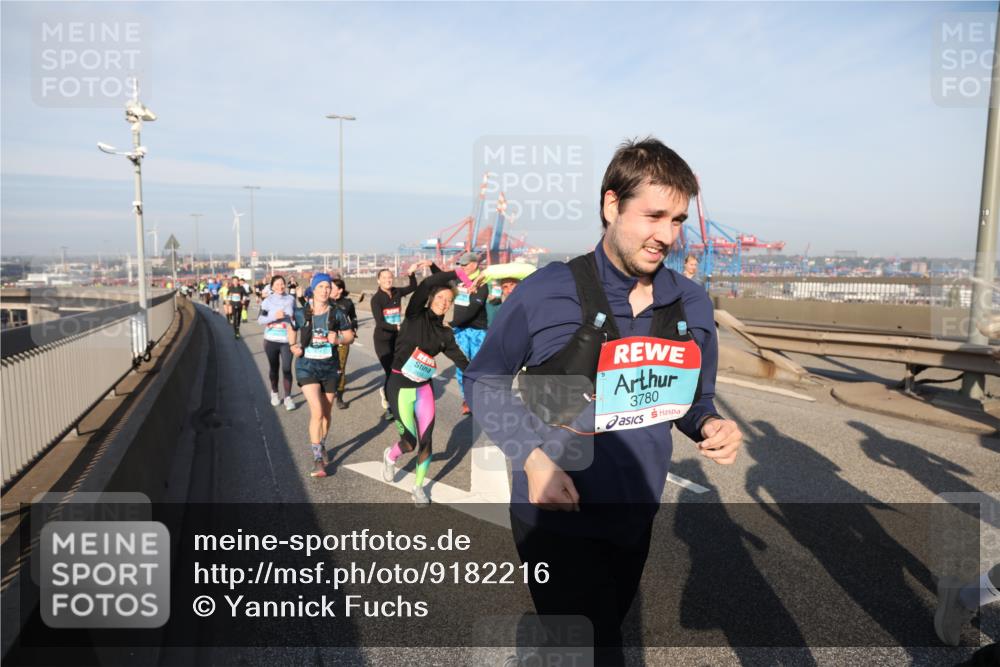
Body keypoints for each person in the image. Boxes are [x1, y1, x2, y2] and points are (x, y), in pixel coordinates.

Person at [464, 137, 743, 663]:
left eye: (678, 220)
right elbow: (483, 379)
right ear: (611, 205)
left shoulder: (691, 302)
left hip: (635, 511)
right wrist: (532, 458)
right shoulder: (547, 291)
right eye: (654, 216)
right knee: (597, 648)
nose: (667, 236)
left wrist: (710, 424)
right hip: (553, 512)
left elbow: (692, 399)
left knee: (598, 628)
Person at [381, 266, 469, 507]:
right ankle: (390, 456)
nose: (443, 302)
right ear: (430, 299)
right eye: (440, 297)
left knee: (426, 440)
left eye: (448, 300)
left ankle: (418, 487)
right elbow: (427, 282)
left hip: (423, 388)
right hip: (399, 385)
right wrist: (456, 273)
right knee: (408, 443)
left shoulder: (445, 334)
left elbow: (463, 362)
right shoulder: (414, 315)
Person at [290, 273, 356, 478]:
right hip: (307, 367)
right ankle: (318, 459)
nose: (325, 290)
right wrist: (293, 346)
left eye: (328, 287)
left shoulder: (338, 312)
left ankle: (321, 443)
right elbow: (292, 329)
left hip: (329, 367)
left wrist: (338, 340)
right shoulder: (301, 312)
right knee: (317, 411)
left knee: (327, 414)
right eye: (321, 287)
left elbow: (350, 336)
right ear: (313, 289)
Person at [370, 264, 422, 420]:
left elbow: (413, 286)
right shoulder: (376, 299)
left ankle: (395, 397)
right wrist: (397, 326)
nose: (388, 280)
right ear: (378, 281)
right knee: (391, 373)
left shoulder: (397, 292)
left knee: (402, 370)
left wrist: (411, 273)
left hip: (398, 339)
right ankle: (391, 406)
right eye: (384, 278)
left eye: (390, 277)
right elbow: (380, 323)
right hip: (383, 340)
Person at [448, 252, 489, 415]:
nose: (462, 268)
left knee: (479, 367)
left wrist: (451, 323)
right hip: (460, 331)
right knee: (462, 366)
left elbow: (474, 309)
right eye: (461, 265)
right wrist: (431, 266)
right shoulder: (459, 280)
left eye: (465, 265)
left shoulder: (483, 282)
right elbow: (441, 279)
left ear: (474, 264)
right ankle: (468, 399)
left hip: (477, 331)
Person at [258, 275, 298, 411]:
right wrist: (275, 316)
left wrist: (294, 324)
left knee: (287, 368)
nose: (280, 286)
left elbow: (296, 318)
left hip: (287, 340)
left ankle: (288, 397)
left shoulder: (291, 299)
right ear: (272, 286)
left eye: (282, 284)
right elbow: (260, 319)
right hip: (271, 340)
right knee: (274, 368)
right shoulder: (267, 301)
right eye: (277, 284)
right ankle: (274, 393)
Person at [330, 277, 358, 410]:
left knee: (340, 368)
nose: (329, 290)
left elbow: (353, 317)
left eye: (332, 287)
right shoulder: (325, 301)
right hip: (325, 340)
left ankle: (339, 397)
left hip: (342, 339)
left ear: (340, 290)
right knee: (326, 366)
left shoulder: (347, 303)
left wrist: (353, 328)